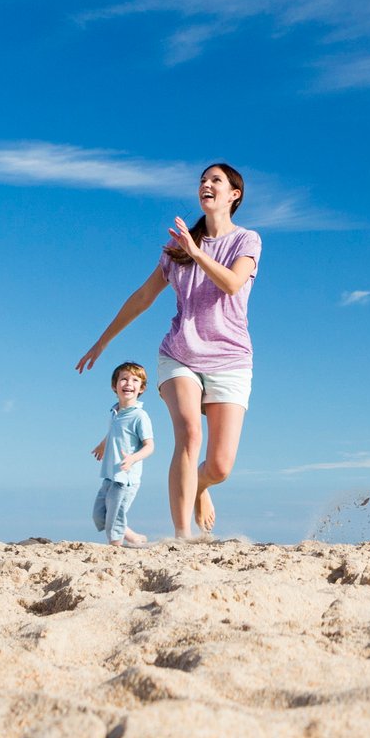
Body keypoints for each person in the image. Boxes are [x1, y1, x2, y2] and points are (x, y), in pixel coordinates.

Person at [76, 163, 261, 541]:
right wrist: (103, 340)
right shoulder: (179, 247)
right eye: (202, 181)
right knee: (189, 434)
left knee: (221, 465)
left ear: (234, 195)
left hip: (230, 359)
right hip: (180, 355)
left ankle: (200, 488)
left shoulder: (247, 240)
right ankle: (182, 536)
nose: (206, 185)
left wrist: (197, 252)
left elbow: (232, 283)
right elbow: (144, 297)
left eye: (216, 181)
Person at [91, 361, 155, 546]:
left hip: (126, 478)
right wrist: (103, 445)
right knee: (99, 516)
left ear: (141, 388)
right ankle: (134, 537)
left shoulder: (139, 416)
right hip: (110, 474)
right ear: (114, 385)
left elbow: (150, 446)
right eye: (124, 379)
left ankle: (115, 548)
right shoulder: (114, 412)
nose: (128, 383)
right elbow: (114, 432)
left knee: (115, 518)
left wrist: (133, 458)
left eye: (135, 380)